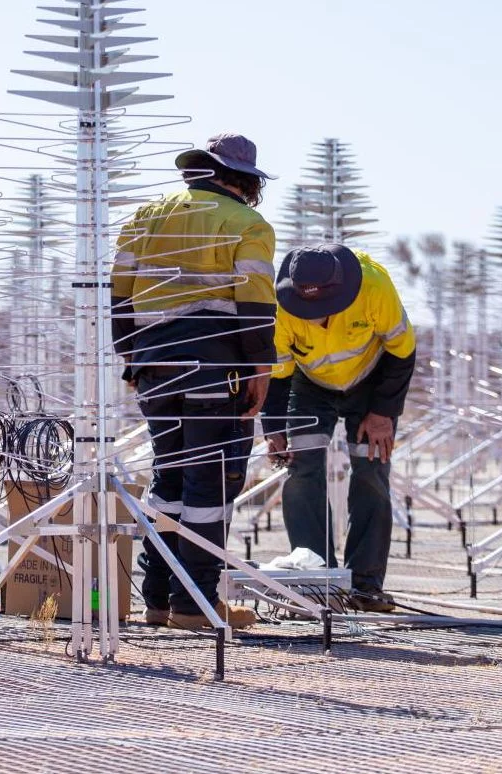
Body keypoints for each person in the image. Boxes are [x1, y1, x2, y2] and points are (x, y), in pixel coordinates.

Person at [111, 133, 276, 630]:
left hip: (153, 367)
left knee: (170, 476)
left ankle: (158, 600)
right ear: (245, 180)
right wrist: (260, 370)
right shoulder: (247, 223)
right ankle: (196, 605)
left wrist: (133, 360)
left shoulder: (144, 216)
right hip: (213, 369)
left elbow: (119, 296)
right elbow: (254, 304)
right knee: (213, 479)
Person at [261, 244, 416, 612]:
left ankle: (365, 586)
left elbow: (402, 350)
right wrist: (274, 428)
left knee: (371, 470)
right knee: (301, 468)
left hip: (372, 382)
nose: (317, 318)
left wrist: (382, 411)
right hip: (309, 385)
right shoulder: (279, 306)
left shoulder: (375, 285)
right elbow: (278, 374)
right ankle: (318, 584)